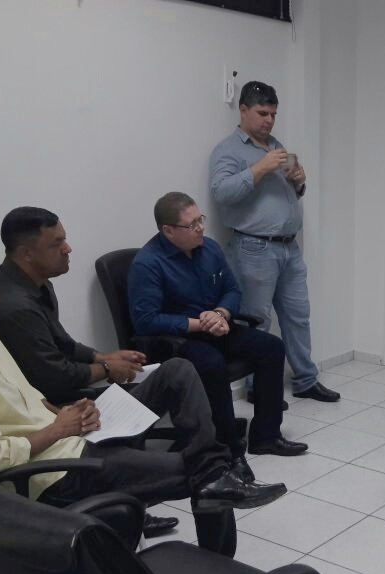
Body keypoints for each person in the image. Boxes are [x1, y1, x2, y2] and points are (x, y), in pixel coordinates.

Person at [0, 244, 287, 555]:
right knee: (202, 477)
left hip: (74, 436)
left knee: (177, 370)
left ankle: (213, 469)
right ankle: (215, 494)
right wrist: (60, 429)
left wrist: (68, 411)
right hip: (59, 472)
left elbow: (28, 400)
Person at [0, 206, 197, 537]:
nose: (68, 249)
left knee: (177, 371)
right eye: (56, 243)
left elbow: (64, 344)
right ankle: (196, 474)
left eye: (65, 239)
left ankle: (203, 463)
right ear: (26, 253)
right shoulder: (14, 305)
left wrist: (103, 356)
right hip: (61, 409)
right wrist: (107, 369)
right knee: (164, 397)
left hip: (69, 398)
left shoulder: (37, 283)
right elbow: (54, 377)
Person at [128, 192, 307, 457]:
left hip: (216, 327)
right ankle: (226, 448)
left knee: (271, 347)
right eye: (191, 225)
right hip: (177, 341)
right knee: (211, 364)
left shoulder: (209, 248)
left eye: (200, 219)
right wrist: (201, 324)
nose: (200, 228)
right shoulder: (148, 264)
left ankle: (266, 437)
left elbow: (232, 290)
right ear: (168, 230)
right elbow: (146, 320)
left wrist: (220, 313)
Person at [209, 80, 340, 404]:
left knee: (298, 316)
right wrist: (259, 168)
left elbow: (291, 192)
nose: (269, 120)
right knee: (257, 320)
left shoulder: (276, 146)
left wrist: (299, 182)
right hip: (254, 248)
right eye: (262, 113)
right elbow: (221, 193)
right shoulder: (228, 150)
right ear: (243, 110)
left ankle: (306, 380)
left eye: (273, 114)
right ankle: (257, 387)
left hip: (289, 248)